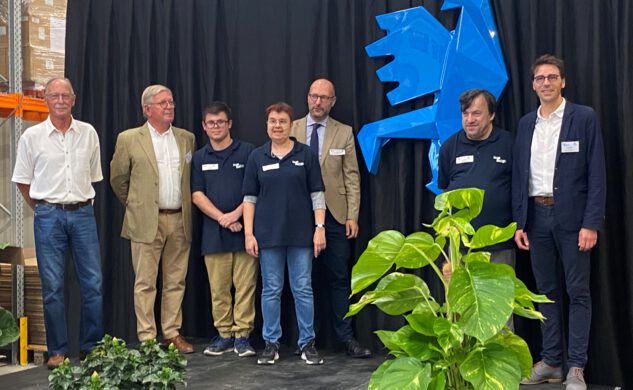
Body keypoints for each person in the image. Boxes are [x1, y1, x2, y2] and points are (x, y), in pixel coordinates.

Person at [513, 54, 606, 390]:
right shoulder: (526, 124)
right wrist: (519, 221)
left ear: (563, 81)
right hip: (536, 219)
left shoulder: (583, 118)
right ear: (533, 84)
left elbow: (597, 173)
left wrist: (591, 222)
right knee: (546, 293)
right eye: (540, 78)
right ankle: (551, 361)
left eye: (552, 77)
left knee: (578, 292)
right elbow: (518, 176)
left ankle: (576, 367)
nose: (546, 83)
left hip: (574, 219)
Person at [12, 77, 104, 369]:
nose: (61, 100)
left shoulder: (88, 133)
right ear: (46, 100)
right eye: (55, 95)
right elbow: (23, 181)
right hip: (48, 216)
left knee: (94, 284)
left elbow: (93, 176)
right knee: (53, 287)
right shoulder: (31, 137)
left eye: (66, 95)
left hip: (83, 213)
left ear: (73, 100)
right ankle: (57, 352)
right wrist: (42, 208)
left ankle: (91, 347)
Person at [110, 84, 196, 354]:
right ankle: (147, 337)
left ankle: (171, 333)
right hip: (146, 221)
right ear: (147, 109)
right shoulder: (128, 138)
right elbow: (118, 179)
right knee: (145, 282)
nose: (169, 106)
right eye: (163, 103)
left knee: (175, 280)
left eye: (171, 102)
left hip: (179, 220)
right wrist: (138, 205)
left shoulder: (186, 138)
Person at [290, 78, 371, 358]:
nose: (318, 102)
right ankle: (305, 340)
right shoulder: (291, 128)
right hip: (299, 217)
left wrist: (353, 215)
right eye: (314, 96)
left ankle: (345, 337)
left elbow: (352, 177)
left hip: (336, 216)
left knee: (339, 278)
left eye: (324, 98)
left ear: (333, 101)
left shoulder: (344, 132)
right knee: (302, 281)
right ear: (307, 98)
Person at [242, 102, 326, 365]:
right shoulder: (257, 156)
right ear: (266, 125)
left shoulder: (305, 154)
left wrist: (319, 229)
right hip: (268, 236)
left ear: (291, 125)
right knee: (271, 290)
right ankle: (271, 343)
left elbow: (317, 195)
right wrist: (248, 234)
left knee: (302, 289)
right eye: (272, 121)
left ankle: (307, 343)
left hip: (302, 236)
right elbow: (249, 198)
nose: (277, 126)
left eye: (282, 121)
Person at [191, 102, 257, 357]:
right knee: (218, 288)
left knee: (245, 286)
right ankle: (223, 334)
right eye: (211, 123)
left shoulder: (248, 152)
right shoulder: (199, 157)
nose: (216, 127)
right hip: (213, 234)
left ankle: (242, 336)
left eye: (221, 122)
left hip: (245, 232)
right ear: (204, 127)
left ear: (229, 124)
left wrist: (236, 215)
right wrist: (223, 218)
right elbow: (197, 195)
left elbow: (254, 190)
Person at [438, 89, 515, 296]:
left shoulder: (509, 144)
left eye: (476, 113)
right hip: (459, 246)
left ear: (491, 115)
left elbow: (519, 190)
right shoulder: (449, 148)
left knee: (498, 311)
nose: (470, 119)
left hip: (498, 244)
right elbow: (445, 189)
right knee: (461, 310)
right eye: (466, 114)